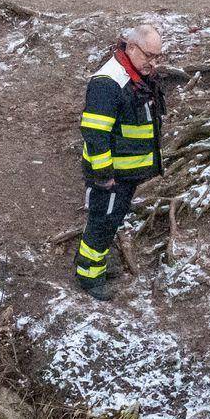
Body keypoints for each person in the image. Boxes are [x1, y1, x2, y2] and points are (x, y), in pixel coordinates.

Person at [75, 24, 167, 301]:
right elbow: (95, 132)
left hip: (125, 173)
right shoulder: (107, 82)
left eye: (158, 57)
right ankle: (89, 277)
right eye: (149, 56)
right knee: (102, 221)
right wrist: (104, 175)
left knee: (112, 219)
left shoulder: (134, 74)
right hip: (110, 174)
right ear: (131, 48)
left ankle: (97, 265)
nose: (154, 63)